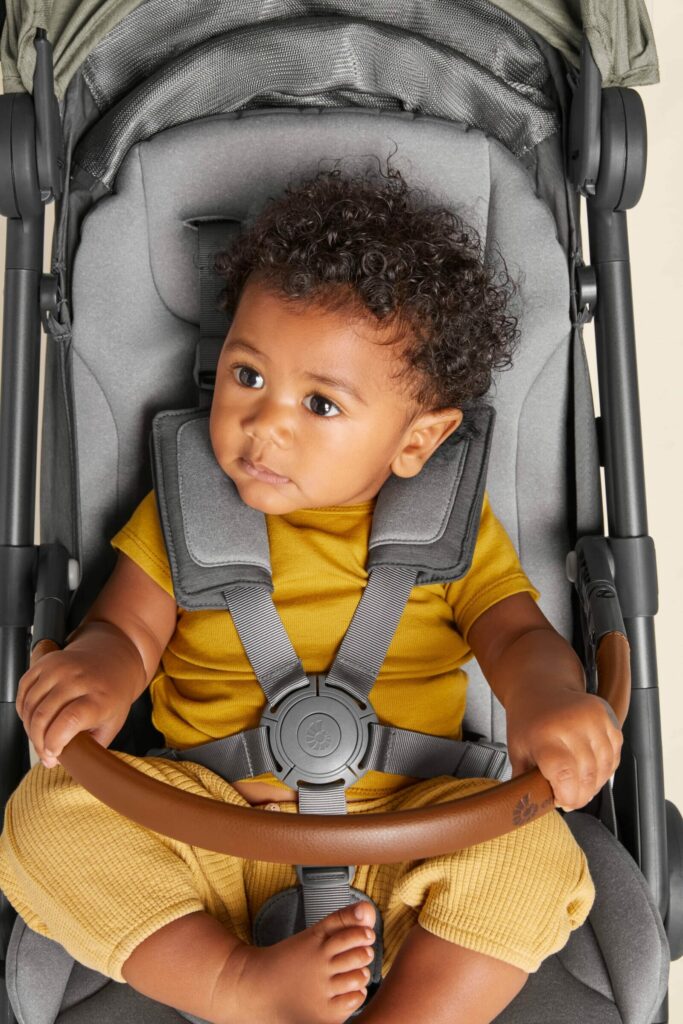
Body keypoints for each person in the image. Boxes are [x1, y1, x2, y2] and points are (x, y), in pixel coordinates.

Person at [0, 161, 622, 1024]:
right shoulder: (187, 509)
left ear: (417, 440)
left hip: (412, 835)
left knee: (533, 857)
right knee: (44, 816)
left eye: (320, 405)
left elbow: (516, 638)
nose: (266, 423)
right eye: (247, 376)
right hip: (210, 831)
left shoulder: (449, 527)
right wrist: (99, 675)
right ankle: (237, 984)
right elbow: (126, 630)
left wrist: (546, 700)